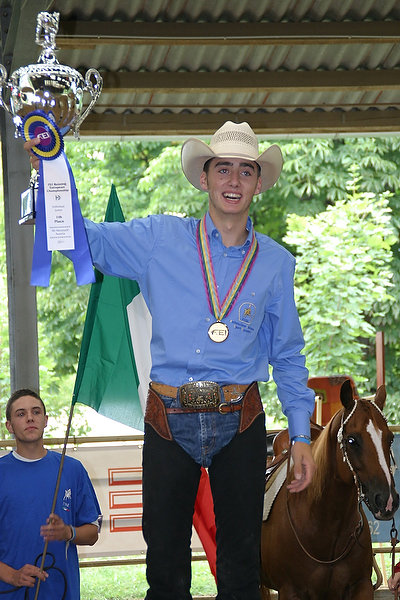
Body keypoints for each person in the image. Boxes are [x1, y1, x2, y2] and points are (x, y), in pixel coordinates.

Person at [25, 121, 315, 600]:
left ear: (259, 183)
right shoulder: (159, 238)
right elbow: (87, 240)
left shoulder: (276, 263)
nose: (233, 180)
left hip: (241, 417)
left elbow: (287, 355)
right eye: (223, 169)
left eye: (246, 171)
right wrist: (48, 185)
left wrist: (301, 435)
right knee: (164, 568)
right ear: (204, 177)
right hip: (167, 417)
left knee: (243, 567)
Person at [0, 389, 102, 599]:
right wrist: (12, 575)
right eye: (21, 414)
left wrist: (68, 532)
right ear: (9, 426)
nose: (30, 418)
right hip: (9, 592)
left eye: (36, 412)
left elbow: (92, 533)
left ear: (45, 420)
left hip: (61, 590)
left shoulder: (72, 469)